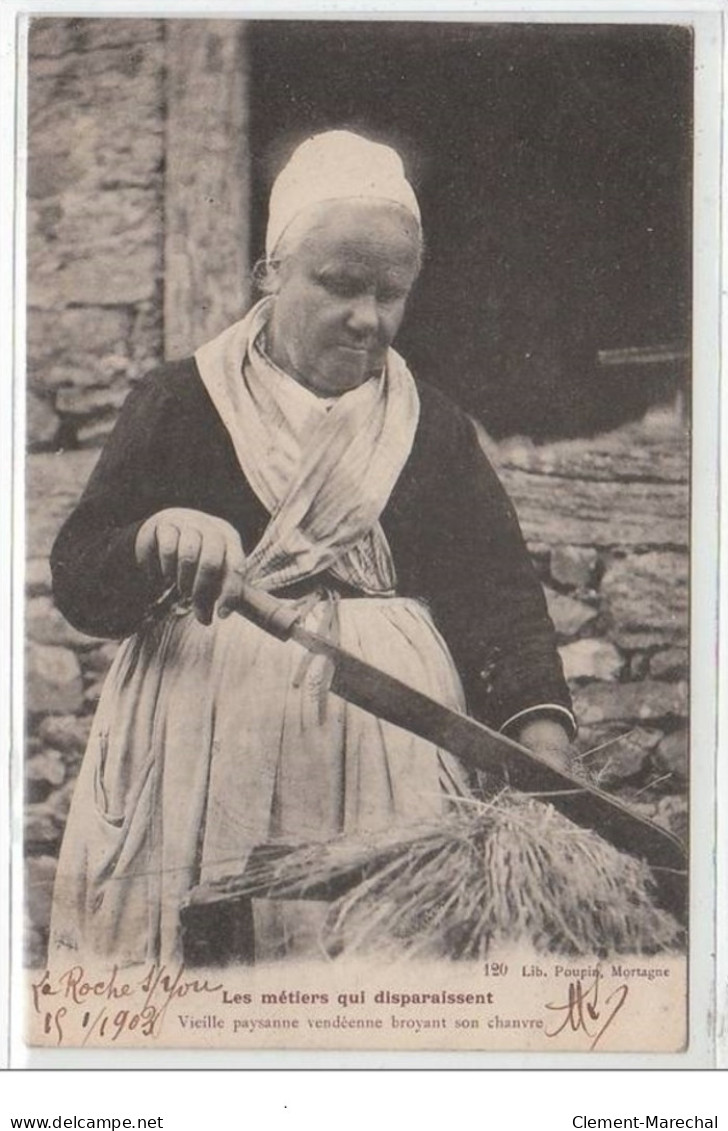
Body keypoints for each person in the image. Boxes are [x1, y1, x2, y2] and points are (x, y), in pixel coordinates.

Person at [48, 131, 575, 965]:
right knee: (208, 979)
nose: (367, 318)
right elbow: (81, 576)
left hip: (393, 756)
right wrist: (155, 538)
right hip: (204, 755)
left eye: (391, 293)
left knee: (384, 976)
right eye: (339, 286)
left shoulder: (428, 426)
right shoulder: (183, 400)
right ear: (270, 272)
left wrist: (539, 733)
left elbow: (497, 595)